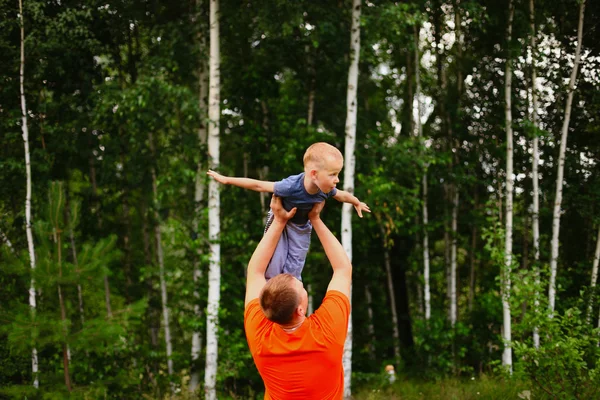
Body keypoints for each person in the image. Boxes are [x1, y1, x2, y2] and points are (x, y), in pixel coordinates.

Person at [207, 142, 369, 280]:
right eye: (333, 174)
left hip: (301, 227)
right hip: (281, 224)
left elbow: (342, 196)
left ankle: (289, 292)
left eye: (338, 174)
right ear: (314, 174)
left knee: (294, 266)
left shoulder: (325, 188)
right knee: (275, 262)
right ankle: (270, 285)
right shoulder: (291, 186)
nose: (337, 180)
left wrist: (357, 202)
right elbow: (259, 185)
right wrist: (227, 180)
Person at [244, 195, 352, 399]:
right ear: (300, 310)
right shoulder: (326, 334)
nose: (300, 282)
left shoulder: (260, 336)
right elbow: (342, 268)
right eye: (301, 287)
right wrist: (315, 219)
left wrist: (279, 221)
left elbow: (255, 271)